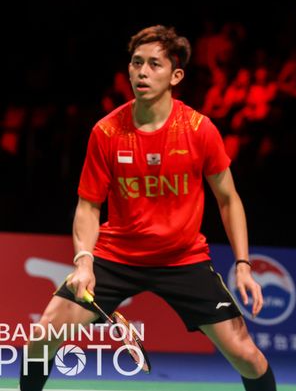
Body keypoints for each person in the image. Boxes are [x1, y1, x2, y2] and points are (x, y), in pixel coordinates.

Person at [21, 25, 276, 391]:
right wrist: (84, 260)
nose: (142, 71)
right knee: (43, 337)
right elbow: (89, 205)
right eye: (136, 62)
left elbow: (228, 198)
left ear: (176, 75)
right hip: (116, 256)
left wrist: (243, 264)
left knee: (248, 357)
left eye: (154, 64)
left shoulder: (198, 129)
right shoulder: (107, 132)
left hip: (182, 258)